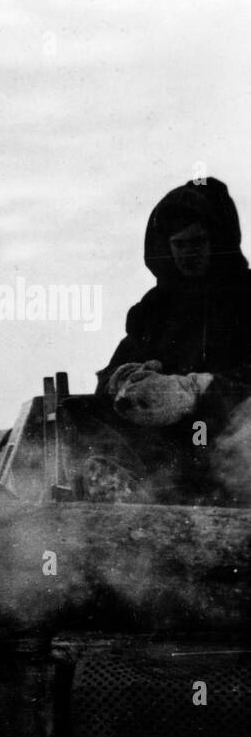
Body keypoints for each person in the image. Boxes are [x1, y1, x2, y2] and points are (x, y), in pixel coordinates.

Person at [94, 177, 251, 499]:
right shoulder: (156, 309)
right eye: (178, 245)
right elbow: (115, 369)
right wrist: (124, 378)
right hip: (166, 451)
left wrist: (198, 388)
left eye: (197, 242)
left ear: (217, 241)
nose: (187, 254)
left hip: (229, 442)